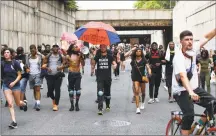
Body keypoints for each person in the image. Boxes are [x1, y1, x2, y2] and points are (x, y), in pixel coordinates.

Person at [172, 28, 216, 135]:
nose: (190, 41)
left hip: (195, 89)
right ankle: (187, 129)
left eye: (191, 39)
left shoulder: (193, 49)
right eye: (186, 39)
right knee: (189, 115)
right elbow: (183, 76)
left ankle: (198, 126)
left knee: (213, 103)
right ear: (181, 42)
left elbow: (207, 37)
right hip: (181, 91)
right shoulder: (178, 57)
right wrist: (191, 92)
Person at [1, 48, 27, 129]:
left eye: (8, 52)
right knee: (10, 104)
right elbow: (1, 76)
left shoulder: (15, 63)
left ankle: (24, 104)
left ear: (11, 54)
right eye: (4, 52)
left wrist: (14, 82)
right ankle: (14, 122)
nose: (6, 54)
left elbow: (19, 75)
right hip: (6, 86)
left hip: (15, 85)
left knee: (18, 103)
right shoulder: (2, 63)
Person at [92, 44, 117, 115]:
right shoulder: (98, 56)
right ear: (100, 48)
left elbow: (114, 62)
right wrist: (93, 57)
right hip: (100, 77)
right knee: (100, 92)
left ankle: (108, 105)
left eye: (104, 47)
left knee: (107, 92)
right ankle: (100, 108)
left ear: (106, 48)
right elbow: (93, 63)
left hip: (108, 77)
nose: (103, 48)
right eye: (101, 47)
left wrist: (115, 65)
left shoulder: (109, 56)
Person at [42, 44, 66, 111]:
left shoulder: (61, 56)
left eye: (56, 47)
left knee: (57, 90)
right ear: (52, 48)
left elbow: (65, 64)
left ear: (58, 49)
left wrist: (61, 66)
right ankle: (54, 99)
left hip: (58, 75)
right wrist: (47, 68)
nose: (55, 48)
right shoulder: (48, 56)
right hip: (50, 75)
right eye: (54, 47)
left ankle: (55, 105)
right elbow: (43, 64)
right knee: (49, 92)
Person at [130, 48, 151, 114]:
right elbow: (125, 55)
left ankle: (142, 102)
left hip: (142, 78)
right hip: (135, 77)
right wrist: (132, 49)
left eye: (139, 51)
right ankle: (137, 108)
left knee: (143, 92)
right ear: (135, 52)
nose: (138, 52)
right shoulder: (133, 60)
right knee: (136, 91)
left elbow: (148, 67)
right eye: (137, 51)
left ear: (141, 52)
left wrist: (149, 72)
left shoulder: (144, 60)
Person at [66, 43, 85, 111]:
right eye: (75, 47)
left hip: (77, 74)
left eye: (77, 47)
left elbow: (83, 64)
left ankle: (76, 104)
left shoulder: (79, 55)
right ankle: (72, 105)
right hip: (71, 74)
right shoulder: (68, 55)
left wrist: (82, 57)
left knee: (78, 91)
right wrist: (68, 62)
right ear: (71, 48)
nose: (76, 48)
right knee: (71, 91)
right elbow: (65, 65)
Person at [26, 44, 44, 111]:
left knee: (38, 89)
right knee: (34, 89)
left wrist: (43, 65)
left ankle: (38, 104)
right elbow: (26, 65)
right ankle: (36, 102)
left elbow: (45, 58)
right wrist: (27, 68)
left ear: (36, 49)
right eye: (31, 49)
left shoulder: (39, 56)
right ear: (30, 50)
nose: (32, 50)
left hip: (38, 74)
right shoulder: (28, 56)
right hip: (31, 75)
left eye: (34, 49)